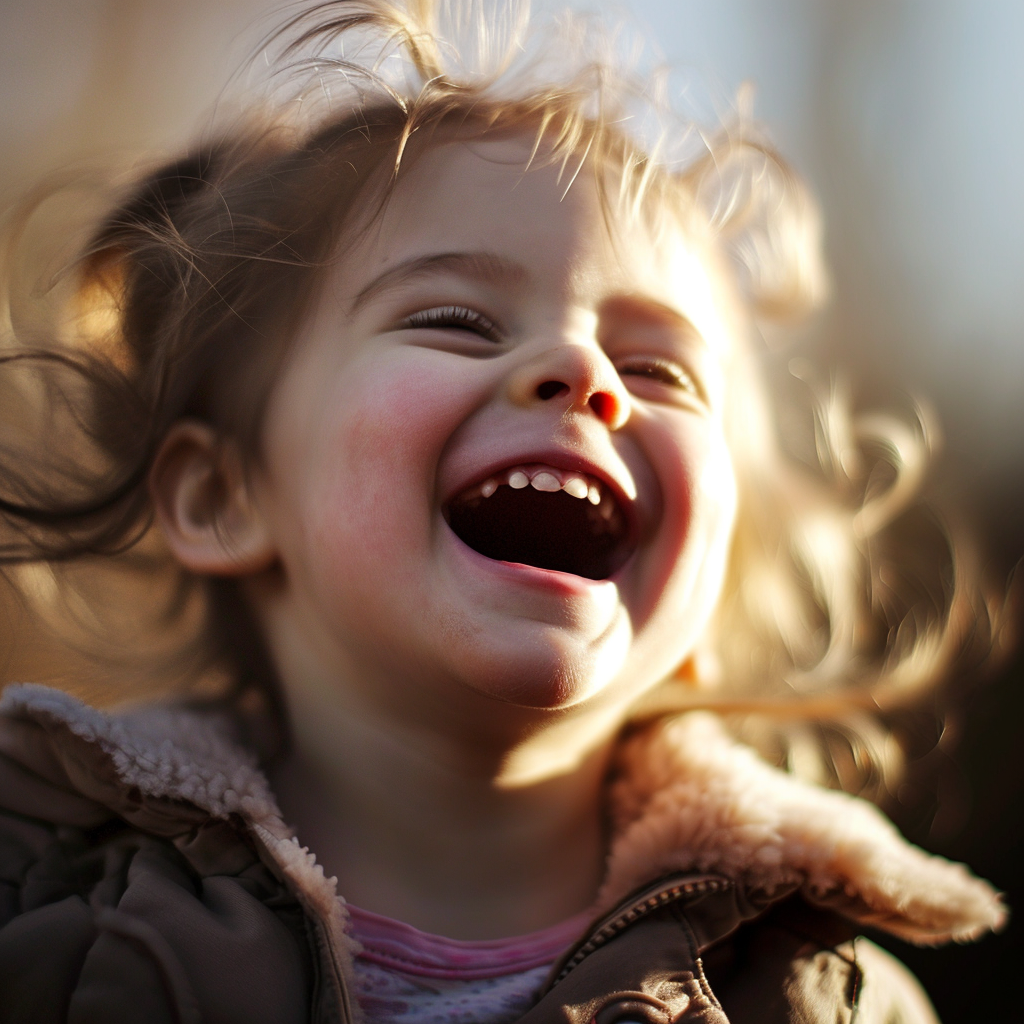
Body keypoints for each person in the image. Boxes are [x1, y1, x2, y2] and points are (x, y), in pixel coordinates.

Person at [0, 2, 1005, 1021]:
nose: (583, 369)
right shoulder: (56, 935)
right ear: (223, 495)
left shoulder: (820, 996)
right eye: (456, 321)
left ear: (716, 581)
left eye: (657, 367)